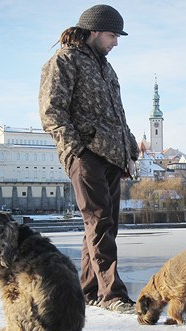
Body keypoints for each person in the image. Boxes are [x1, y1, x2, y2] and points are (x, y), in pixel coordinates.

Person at [39, 4, 139, 314]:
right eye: (112, 35)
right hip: (86, 156)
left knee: (102, 227)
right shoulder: (64, 61)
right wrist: (76, 150)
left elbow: (116, 116)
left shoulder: (106, 68)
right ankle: (113, 295)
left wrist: (131, 149)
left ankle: (89, 291)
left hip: (112, 157)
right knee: (99, 222)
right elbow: (51, 112)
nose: (116, 42)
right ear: (93, 31)